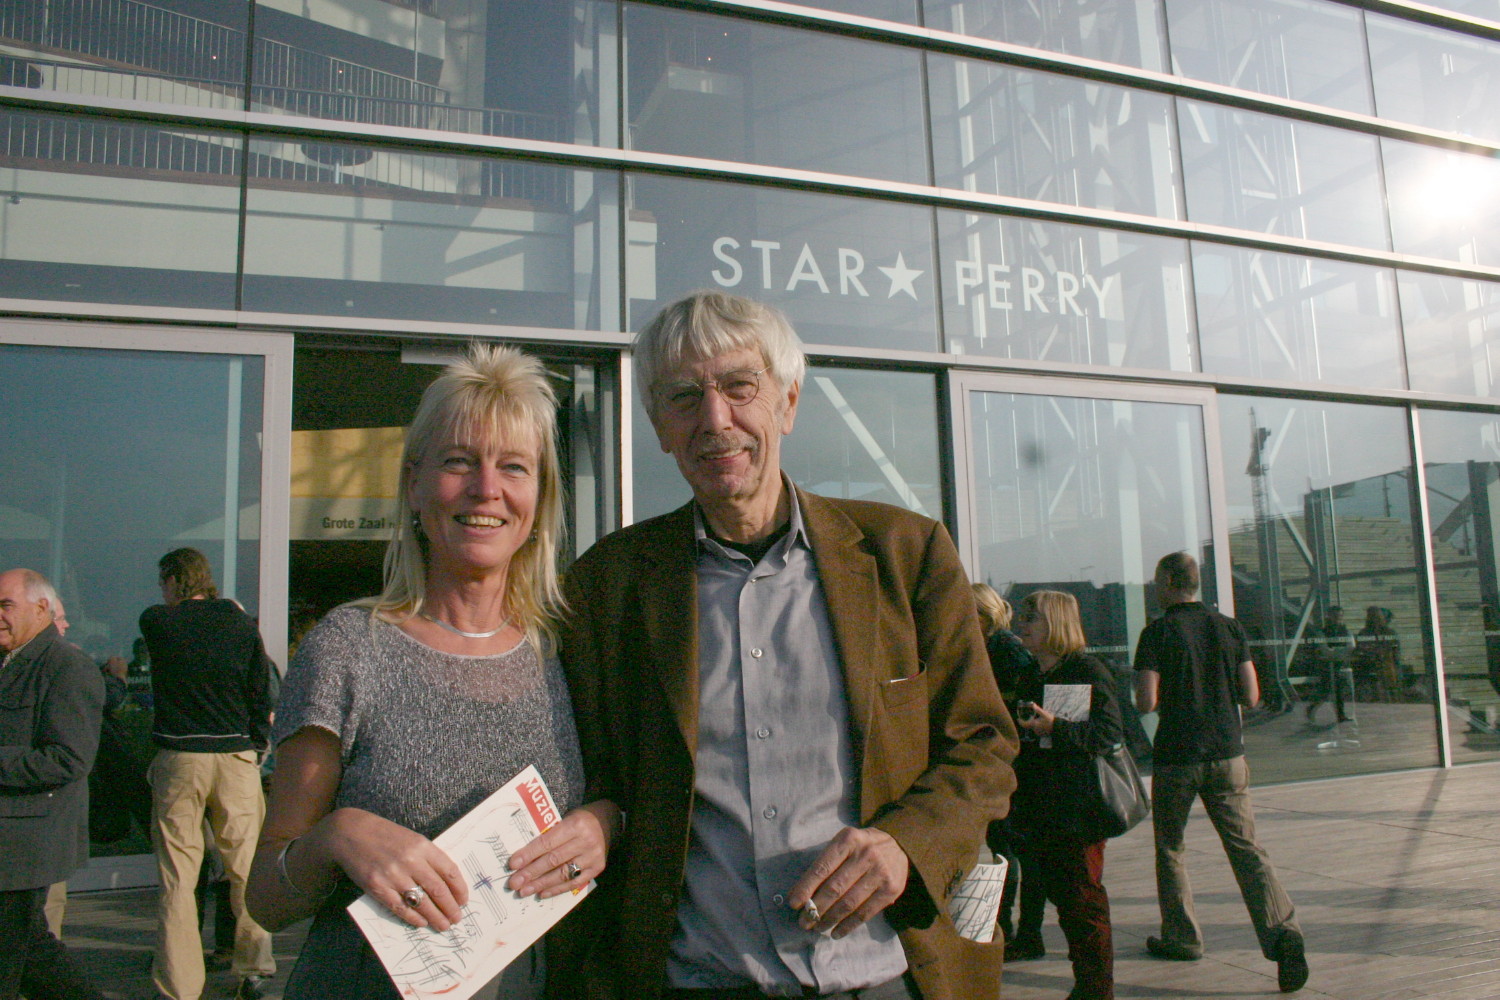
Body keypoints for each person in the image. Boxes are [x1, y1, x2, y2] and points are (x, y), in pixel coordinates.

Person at [560, 291, 1015, 1000]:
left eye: (740, 387)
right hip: (698, 982)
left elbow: (983, 743)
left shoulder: (905, 554)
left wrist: (907, 842)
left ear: (789, 403)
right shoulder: (609, 585)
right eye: (684, 397)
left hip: (888, 976)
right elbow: (596, 775)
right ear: (660, 428)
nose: (716, 420)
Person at [246, 343, 618, 1000]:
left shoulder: (571, 651)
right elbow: (266, 900)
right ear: (414, 483)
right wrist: (337, 835)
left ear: (540, 498)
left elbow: (632, 801)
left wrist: (606, 824)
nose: (486, 488)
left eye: (513, 466)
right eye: (458, 462)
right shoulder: (348, 648)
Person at [1134, 551, 1308, 994]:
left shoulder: (1156, 632)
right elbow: (1252, 694)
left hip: (1178, 755)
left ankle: (1183, 937)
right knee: (1246, 847)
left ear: (1169, 583)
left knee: (1171, 848)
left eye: (1156, 580)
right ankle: (1283, 933)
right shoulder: (1229, 627)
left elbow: (1146, 701)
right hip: (1228, 752)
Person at [140, 547, 279, 1000]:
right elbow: (260, 688)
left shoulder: (157, 622)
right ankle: (254, 968)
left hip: (180, 756)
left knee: (178, 876)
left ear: (172, 580)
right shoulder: (239, 624)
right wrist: (257, 743)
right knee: (245, 868)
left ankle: (179, 985)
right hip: (235, 755)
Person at [1010, 590, 1122, 1000]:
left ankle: (1097, 990)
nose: (1022, 624)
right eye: (1023, 615)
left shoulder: (1086, 670)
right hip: (1040, 806)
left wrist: (1055, 728)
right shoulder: (1031, 673)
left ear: (1055, 622)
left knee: (1083, 901)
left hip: (1078, 809)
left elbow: (1108, 734)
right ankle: (1087, 985)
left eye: (1031, 617)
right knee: (1065, 900)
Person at [0, 568, 106, 1000]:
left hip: (24, 845)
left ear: (42, 608)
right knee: (32, 956)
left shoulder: (67, 666)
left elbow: (70, 757)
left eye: (6, 605)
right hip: (12, 845)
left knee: (17, 956)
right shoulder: (12, 661)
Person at [970, 584, 1045, 959]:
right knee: (1008, 848)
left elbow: (1018, 708)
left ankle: (1016, 930)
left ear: (982, 616)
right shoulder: (993, 647)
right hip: (1004, 762)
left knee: (1011, 849)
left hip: (1011, 764)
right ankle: (1014, 930)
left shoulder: (1004, 650)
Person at [1304, 606, 1354, 726]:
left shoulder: (1346, 631)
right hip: (1327, 665)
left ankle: (1340, 715)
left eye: (1340, 616)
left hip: (1340, 664)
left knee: (1339, 690)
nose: (1337, 619)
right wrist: (1338, 652)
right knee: (1326, 690)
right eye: (1335, 616)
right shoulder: (1323, 632)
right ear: (1329, 617)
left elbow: (1351, 646)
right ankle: (1312, 708)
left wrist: (1337, 652)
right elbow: (1325, 650)